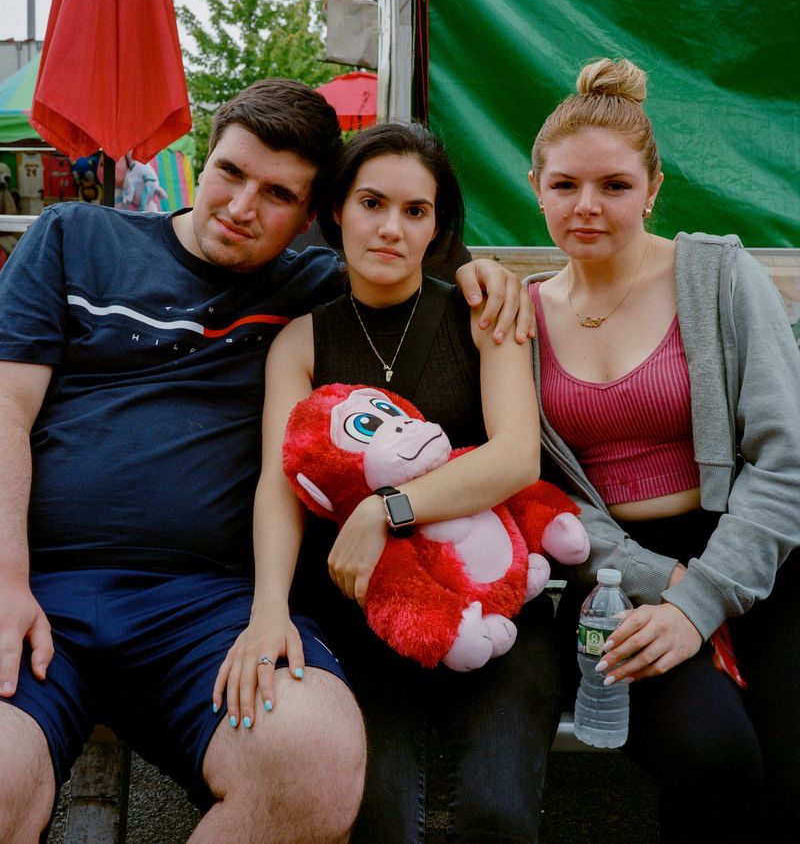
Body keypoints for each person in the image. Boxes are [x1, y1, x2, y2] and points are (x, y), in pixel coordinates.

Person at [0, 79, 529, 844]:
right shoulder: (76, 238)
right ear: (203, 159)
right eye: (230, 172)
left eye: (278, 195)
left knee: (312, 759)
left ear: (312, 219)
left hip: (208, 605)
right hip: (42, 587)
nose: (242, 207)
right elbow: (6, 409)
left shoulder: (311, 291)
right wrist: (6, 581)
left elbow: (411, 258)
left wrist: (488, 274)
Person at [216, 121, 562, 844]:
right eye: (372, 203)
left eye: (415, 210)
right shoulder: (302, 341)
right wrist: (269, 608)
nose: (391, 228)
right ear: (337, 209)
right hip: (362, 611)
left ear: (437, 226)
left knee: (496, 814)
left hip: (494, 599)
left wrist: (387, 510)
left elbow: (515, 458)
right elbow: (281, 482)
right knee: (380, 819)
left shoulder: (482, 314)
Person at [526, 57, 800, 843]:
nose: (586, 205)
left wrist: (699, 600)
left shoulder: (718, 275)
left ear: (653, 190)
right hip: (615, 579)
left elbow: (787, 460)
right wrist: (655, 584)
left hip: (758, 553)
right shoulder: (520, 317)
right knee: (710, 753)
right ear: (536, 187)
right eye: (565, 185)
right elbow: (537, 487)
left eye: (614, 185)